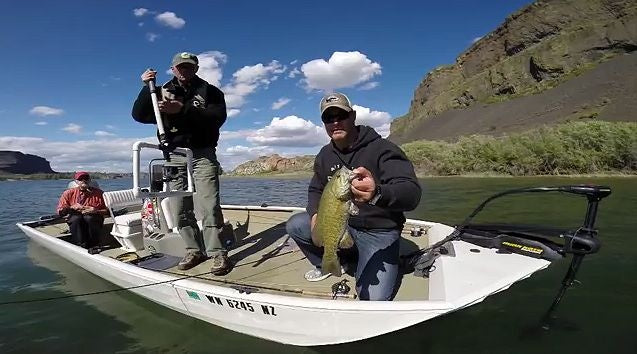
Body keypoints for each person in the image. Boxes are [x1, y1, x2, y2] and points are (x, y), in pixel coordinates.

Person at [286, 92, 421, 301]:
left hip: (379, 233)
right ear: (323, 123)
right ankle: (330, 262)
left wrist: (378, 193)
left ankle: (368, 259)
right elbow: (315, 190)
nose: (335, 122)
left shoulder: (382, 149)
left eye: (341, 115)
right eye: (328, 118)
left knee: (373, 297)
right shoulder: (324, 155)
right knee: (296, 224)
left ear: (353, 116)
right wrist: (315, 218)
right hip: (345, 225)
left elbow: (411, 193)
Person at [132, 51, 231, 275]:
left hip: (202, 154)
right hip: (174, 156)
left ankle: (217, 253)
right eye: (180, 67)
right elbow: (139, 115)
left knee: (209, 205)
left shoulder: (211, 92)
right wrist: (145, 87)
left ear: (196, 68)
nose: (184, 70)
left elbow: (217, 119)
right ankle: (194, 250)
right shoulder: (161, 91)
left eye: (188, 66)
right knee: (180, 209)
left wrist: (183, 109)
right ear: (173, 69)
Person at [56, 172, 108, 248]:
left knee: (90, 218)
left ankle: (95, 244)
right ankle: (80, 245)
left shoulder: (100, 193)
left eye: (86, 178)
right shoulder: (68, 193)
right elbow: (60, 211)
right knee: (76, 219)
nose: (84, 181)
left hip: (94, 218)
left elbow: (108, 211)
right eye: (80, 179)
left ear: (89, 180)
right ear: (76, 181)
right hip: (75, 218)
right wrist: (71, 208)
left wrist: (96, 210)